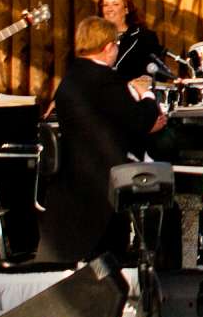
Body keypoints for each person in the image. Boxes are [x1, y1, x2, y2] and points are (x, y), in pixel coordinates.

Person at [43, 17, 170, 264]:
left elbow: (107, 121)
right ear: (108, 47)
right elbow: (139, 120)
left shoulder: (74, 74)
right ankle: (162, 256)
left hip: (76, 173)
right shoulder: (103, 79)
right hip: (103, 177)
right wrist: (146, 95)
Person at [98, 0, 167, 83]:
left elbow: (157, 73)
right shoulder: (95, 37)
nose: (109, 9)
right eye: (105, 5)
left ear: (126, 10)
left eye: (115, 4)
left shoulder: (145, 37)